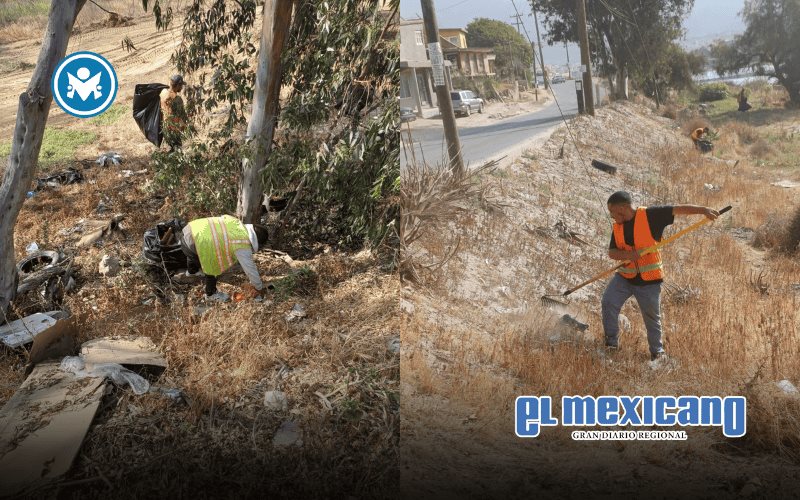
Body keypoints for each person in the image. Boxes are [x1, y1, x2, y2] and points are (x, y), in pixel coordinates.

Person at [602, 191, 719, 361]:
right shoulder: (617, 226)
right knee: (608, 302)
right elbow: (612, 252)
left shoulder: (650, 215)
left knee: (652, 318)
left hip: (649, 281)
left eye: (612, 211)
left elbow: (677, 209)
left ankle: (657, 353)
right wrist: (628, 256)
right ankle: (611, 344)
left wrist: (703, 210)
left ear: (623, 207)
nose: (611, 216)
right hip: (624, 277)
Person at [179, 215, 269, 302]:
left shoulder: (236, 223)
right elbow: (250, 269)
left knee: (197, 254)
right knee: (213, 267)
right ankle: (211, 294)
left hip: (187, 231)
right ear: (257, 241)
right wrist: (259, 287)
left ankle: (192, 271)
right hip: (193, 244)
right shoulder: (242, 244)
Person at [161, 74, 188, 151]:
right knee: (177, 150)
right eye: (181, 85)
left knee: (172, 148)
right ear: (178, 85)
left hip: (165, 128)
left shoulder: (163, 92)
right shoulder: (177, 99)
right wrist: (183, 127)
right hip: (173, 129)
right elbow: (182, 116)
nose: (182, 87)